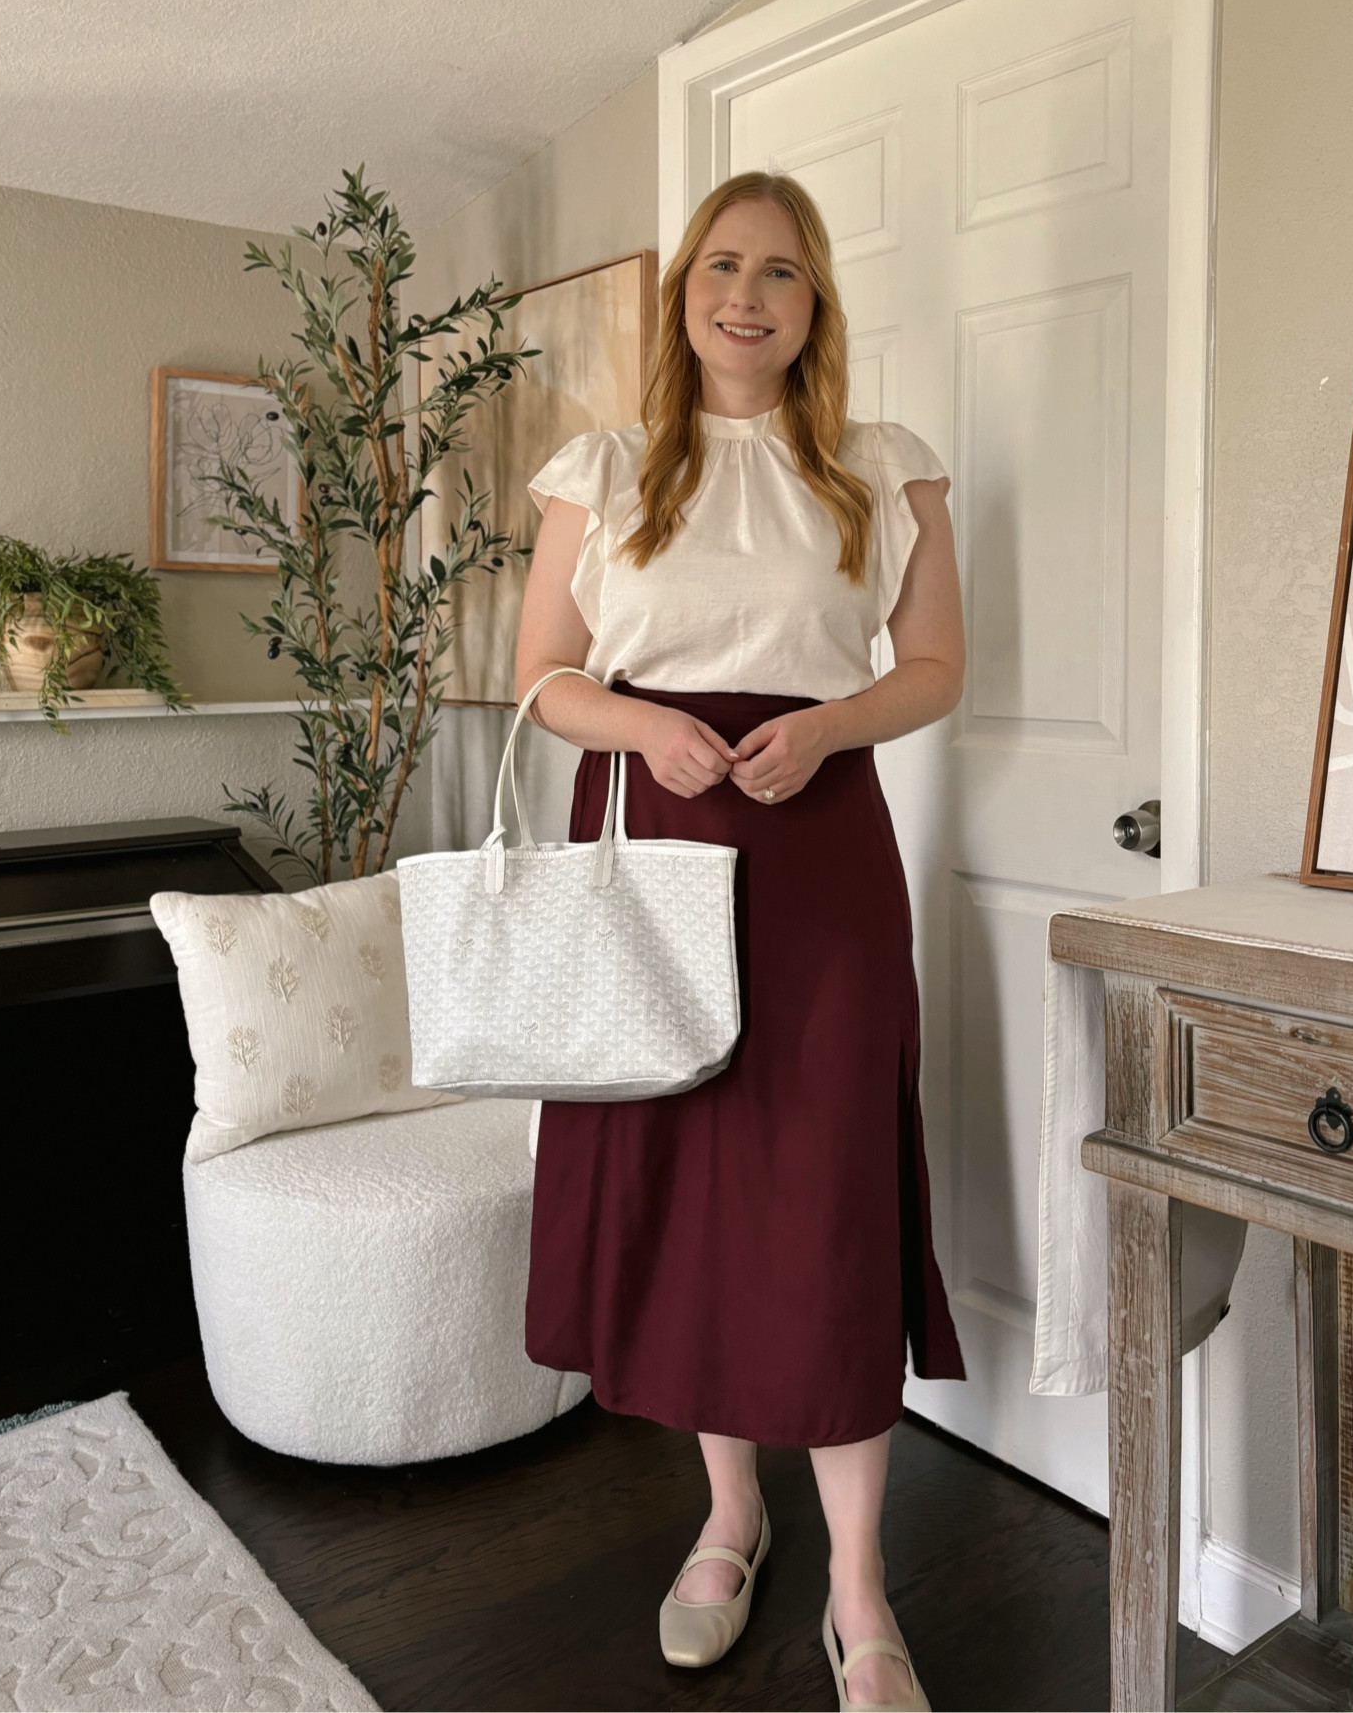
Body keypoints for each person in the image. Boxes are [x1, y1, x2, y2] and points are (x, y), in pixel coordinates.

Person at [514, 168, 967, 1713]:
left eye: (780, 270)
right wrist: (645, 723)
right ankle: (729, 1512)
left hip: (822, 851)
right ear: (685, 291)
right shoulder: (608, 465)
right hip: (652, 841)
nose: (747, 293)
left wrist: (831, 727)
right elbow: (542, 675)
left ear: (814, 300)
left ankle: (858, 1583)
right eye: (722, 264)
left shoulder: (880, 464)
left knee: (823, 1196)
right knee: (696, 1188)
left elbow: (937, 666)